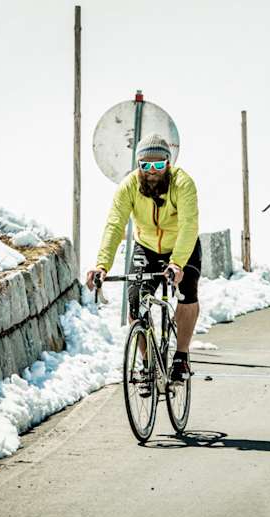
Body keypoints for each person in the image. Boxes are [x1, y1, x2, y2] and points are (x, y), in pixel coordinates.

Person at [86, 132, 201, 382]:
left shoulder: (183, 183)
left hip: (181, 245)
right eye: (145, 165)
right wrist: (102, 265)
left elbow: (189, 224)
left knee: (188, 292)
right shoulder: (128, 185)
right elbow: (115, 225)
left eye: (159, 164)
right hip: (146, 246)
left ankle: (181, 357)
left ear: (168, 164)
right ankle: (148, 364)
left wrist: (177, 263)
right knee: (136, 304)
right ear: (138, 165)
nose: (152, 170)